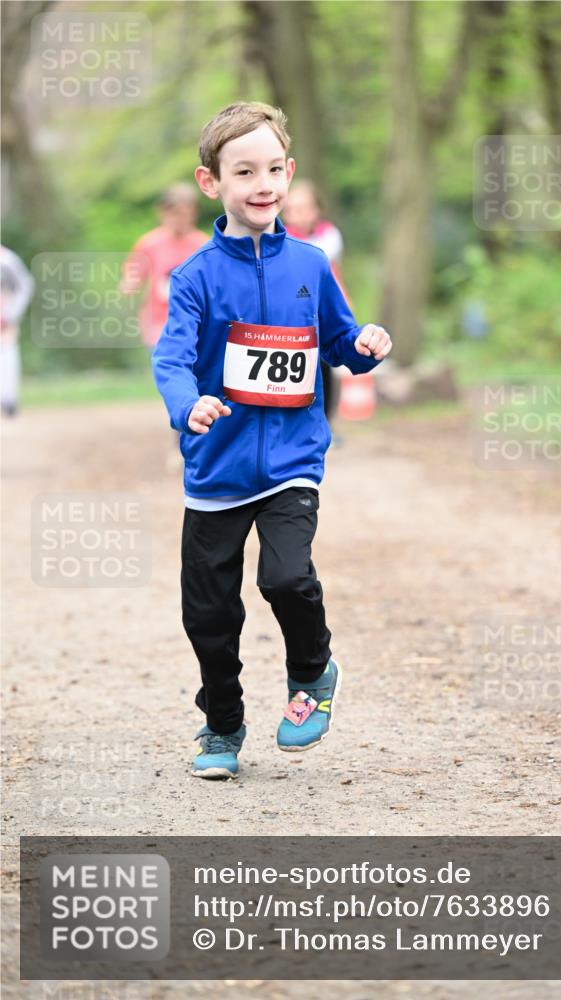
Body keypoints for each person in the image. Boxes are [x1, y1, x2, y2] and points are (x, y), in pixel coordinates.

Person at [151, 101, 392, 779]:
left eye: (274, 169)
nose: (263, 183)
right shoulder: (195, 276)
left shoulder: (311, 266)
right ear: (211, 184)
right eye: (244, 171)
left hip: (291, 459)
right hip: (215, 468)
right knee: (208, 614)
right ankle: (222, 726)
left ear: (289, 174)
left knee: (285, 575)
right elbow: (171, 357)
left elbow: (341, 342)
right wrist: (186, 404)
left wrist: (367, 346)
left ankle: (313, 672)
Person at [121, 184, 208, 469]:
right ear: (163, 213)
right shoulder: (149, 243)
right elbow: (134, 272)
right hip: (159, 324)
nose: (181, 220)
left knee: (196, 380)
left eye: (186, 214)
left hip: (197, 324)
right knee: (176, 380)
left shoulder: (202, 244)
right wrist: (129, 284)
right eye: (175, 214)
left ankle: (189, 440)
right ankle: (181, 441)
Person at [283, 180, 348, 425]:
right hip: (295, 314)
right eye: (291, 209)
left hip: (323, 311)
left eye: (303, 208)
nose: (297, 215)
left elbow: (334, 273)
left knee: (326, 365)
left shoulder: (329, 235)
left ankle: (326, 420)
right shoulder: (283, 237)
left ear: (316, 209)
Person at [1, 245, 35, 419]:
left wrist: (10, 314)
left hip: (3, 319)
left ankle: (8, 400)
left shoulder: (7, 259)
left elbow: (25, 285)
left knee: (6, 354)